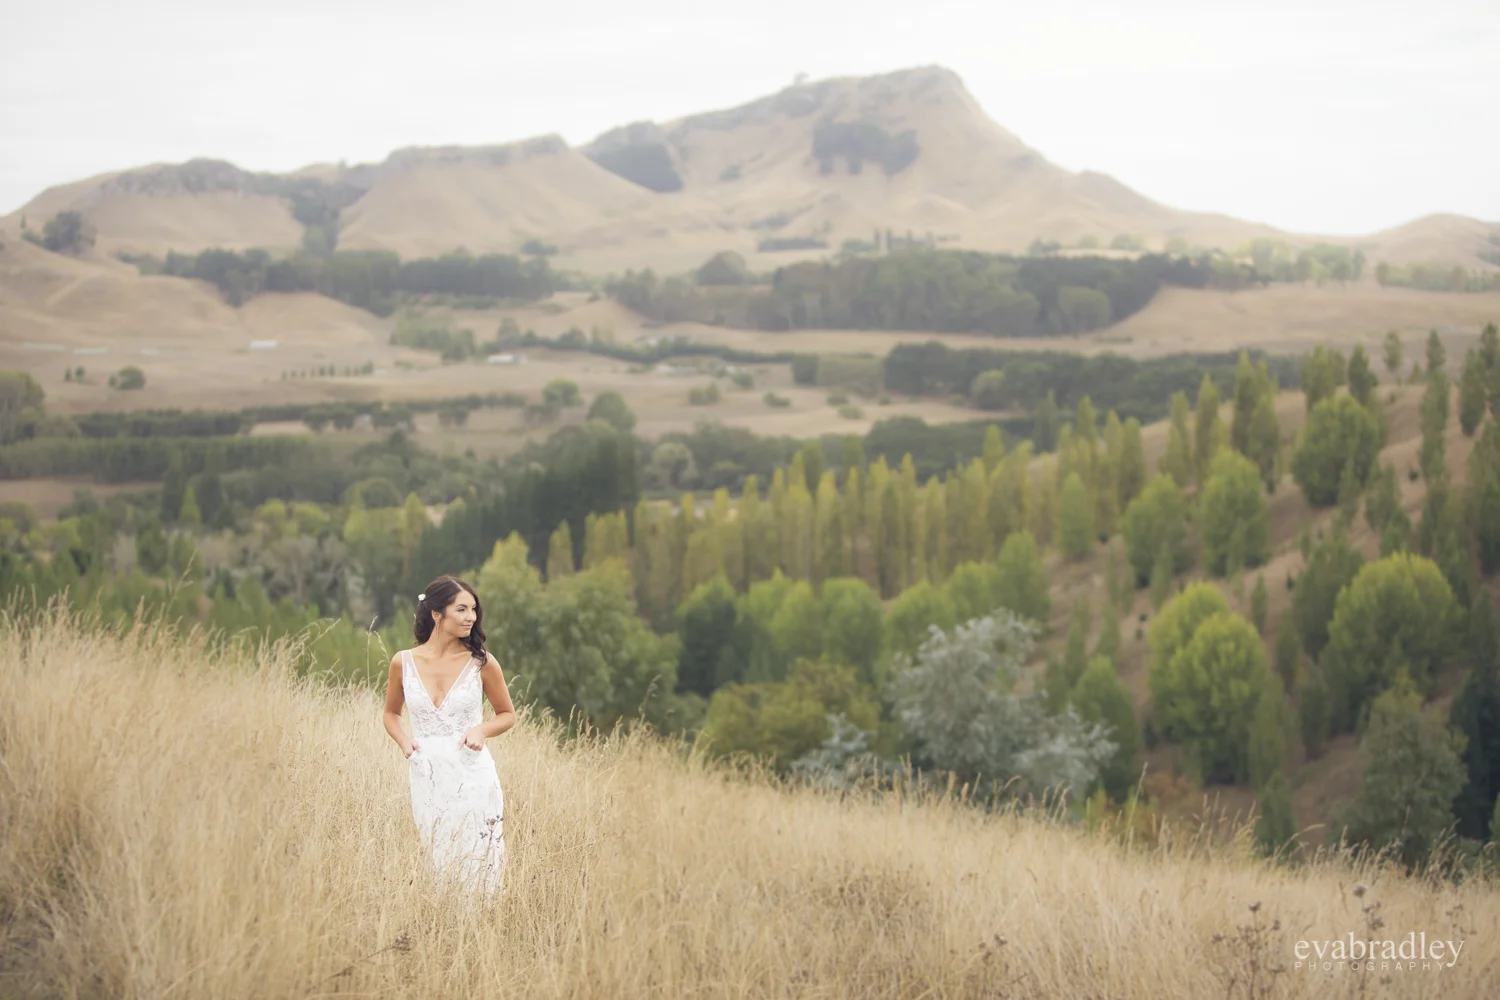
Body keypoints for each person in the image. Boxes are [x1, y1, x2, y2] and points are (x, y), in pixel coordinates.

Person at [382, 575, 516, 893]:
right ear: (437, 614)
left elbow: (508, 715)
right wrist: (404, 742)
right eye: (461, 609)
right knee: (438, 857)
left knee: (479, 859)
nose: (471, 617)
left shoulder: (482, 663)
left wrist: (481, 730)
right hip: (427, 773)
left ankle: (483, 920)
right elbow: (390, 714)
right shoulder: (403, 662)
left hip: (473, 774)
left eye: (473, 609)